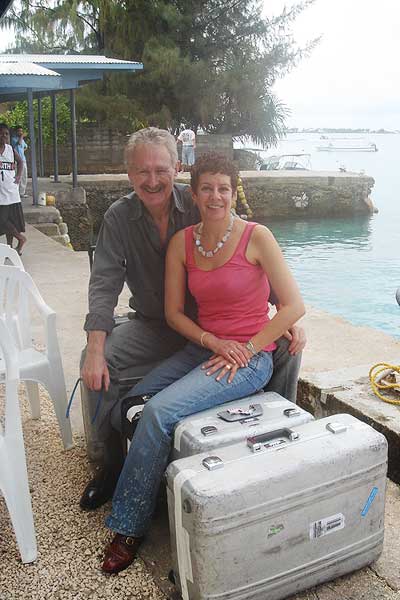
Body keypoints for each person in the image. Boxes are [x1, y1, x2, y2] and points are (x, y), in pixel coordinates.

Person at [79, 127, 305, 513]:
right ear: (129, 173)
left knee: (286, 344)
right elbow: (104, 285)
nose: (152, 181)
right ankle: (111, 463)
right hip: (156, 324)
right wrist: (95, 348)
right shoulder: (119, 217)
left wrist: (277, 307)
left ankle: (277, 440)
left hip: (213, 325)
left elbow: (241, 257)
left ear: (177, 168)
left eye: (160, 170)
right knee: (100, 361)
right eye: (142, 171)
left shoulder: (202, 198)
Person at [0, 123, 26, 254]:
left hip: (10, 190)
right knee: (4, 220)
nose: (4, 136)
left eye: (6, 134)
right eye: (1, 133)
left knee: (7, 220)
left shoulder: (10, 149)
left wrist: (19, 176)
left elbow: (21, 162)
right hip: (0, 192)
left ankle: (19, 239)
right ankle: (10, 247)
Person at [11, 126, 28, 197]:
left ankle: (22, 193)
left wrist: (22, 151)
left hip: (23, 160)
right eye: (19, 131)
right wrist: (22, 137)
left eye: (21, 131)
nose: (20, 132)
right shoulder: (13, 139)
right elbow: (19, 143)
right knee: (17, 176)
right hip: (16, 161)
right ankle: (16, 192)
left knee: (24, 176)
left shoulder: (22, 140)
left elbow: (25, 146)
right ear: (16, 132)